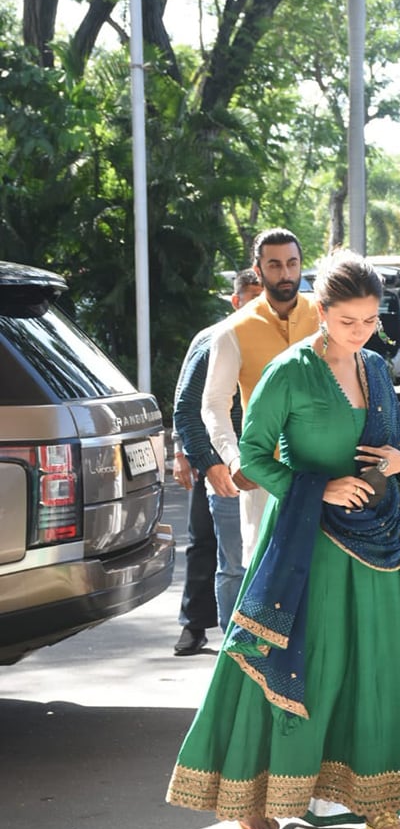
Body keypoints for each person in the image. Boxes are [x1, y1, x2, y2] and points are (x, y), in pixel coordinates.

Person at [167, 252, 400, 829]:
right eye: (350, 321)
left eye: (371, 320)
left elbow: (391, 446)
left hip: (374, 545)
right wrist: (317, 488)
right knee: (302, 666)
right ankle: (252, 795)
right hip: (306, 544)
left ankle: (381, 805)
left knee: (378, 667)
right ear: (322, 314)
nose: (362, 332)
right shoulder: (289, 371)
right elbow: (252, 455)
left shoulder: (376, 369)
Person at [201, 228, 320, 568]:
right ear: (258, 269)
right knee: (265, 579)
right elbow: (213, 403)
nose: (285, 274)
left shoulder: (325, 318)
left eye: (292, 263)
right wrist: (234, 458)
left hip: (327, 468)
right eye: (275, 265)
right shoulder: (233, 330)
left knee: (325, 579)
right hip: (264, 474)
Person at [172, 269, 263, 656]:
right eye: (250, 295)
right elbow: (188, 403)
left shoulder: (278, 339)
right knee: (211, 548)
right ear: (235, 299)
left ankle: (262, 640)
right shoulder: (214, 338)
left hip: (262, 468)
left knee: (252, 555)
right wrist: (188, 454)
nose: (258, 302)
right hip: (214, 461)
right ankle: (198, 628)